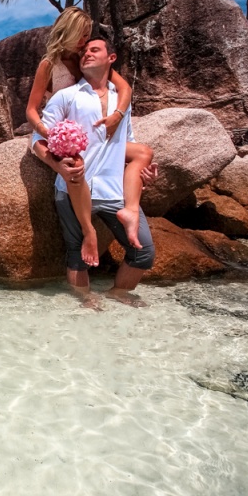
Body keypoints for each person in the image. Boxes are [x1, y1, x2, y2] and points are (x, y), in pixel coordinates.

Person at [31, 37, 155, 307]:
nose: (86, 53)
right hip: (72, 186)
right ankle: (85, 301)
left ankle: (117, 294)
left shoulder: (122, 101)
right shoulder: (67, 96)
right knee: (77, 255)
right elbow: (37, 140)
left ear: (111, 58)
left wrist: (141, 172)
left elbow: (127, 144)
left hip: (114, 191)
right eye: (84, 51)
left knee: (143, 252)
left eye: (94, 50)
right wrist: (57, 165)